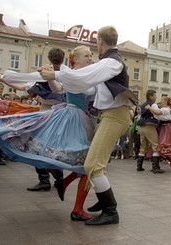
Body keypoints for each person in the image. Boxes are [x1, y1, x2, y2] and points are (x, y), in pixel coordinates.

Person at [40, 26, 137, 225]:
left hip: (114, 117)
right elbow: (83, 79)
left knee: (92, 165)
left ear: (100, 41)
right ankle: (103, 201)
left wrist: (57, 75)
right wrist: (57, 76)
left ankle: (111, 211)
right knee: (94, 164)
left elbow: (83, 77)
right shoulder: (109, 62)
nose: (91, 54)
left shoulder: (111, 62)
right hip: (109, 116)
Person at [0, 45, 97, 221]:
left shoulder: (79, 74)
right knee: (86, 163)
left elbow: (70, 87)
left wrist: (54, 75)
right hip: (72, 118)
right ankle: (77, 208)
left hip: (83, 119)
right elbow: (57, 88)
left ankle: (64, 183)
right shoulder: (71, 74)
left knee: (86, 163)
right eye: (87, 55)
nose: (90, 58)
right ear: (76, 59)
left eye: (91, 55)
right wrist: (51, 77)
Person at [0, 48, 66, 190]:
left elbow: (22, 86)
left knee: (36, 144)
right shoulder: (65, 74)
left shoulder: (41, 74)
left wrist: (4, 80)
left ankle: (44, 180)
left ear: (49, 58)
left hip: (44, 112)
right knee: (55, 147)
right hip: (61, 114)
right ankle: (59, 178)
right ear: (63, 58)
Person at [136, 90, 164, 173]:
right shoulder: (153, 104)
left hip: (142, 127)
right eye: (155, 95)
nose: (156, 97)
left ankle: (139, 166)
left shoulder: (143, 104)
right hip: (149, 126)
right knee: (155, 145)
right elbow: (157, 113)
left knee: (143, 146)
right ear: (151, 96)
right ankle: (155, 167)